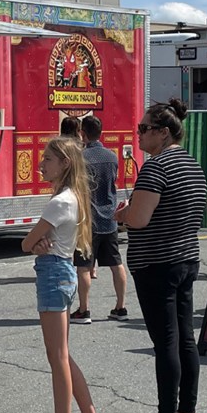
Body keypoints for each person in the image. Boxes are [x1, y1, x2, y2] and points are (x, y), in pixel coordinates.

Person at [117, 99, 207, 413]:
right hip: (186, 258)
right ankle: (187, 412)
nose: (138, 134)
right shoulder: (191, 164)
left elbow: (139, 219)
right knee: (185, 338)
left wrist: (125, 215)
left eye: (144, 129)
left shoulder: (156, 168)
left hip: (157, 262)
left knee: (166, 341)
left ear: (163, 132)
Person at [20, 138, 109, 413]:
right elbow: (38, 240)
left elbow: (26, 242)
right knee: (63, 356)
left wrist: (37, 242)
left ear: (65, 164)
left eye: (48, 159)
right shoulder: (73, 197)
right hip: (63, 271)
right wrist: (39, 242)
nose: (41, 164)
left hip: (54, 274)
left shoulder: (60, 201)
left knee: (57, 357)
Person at [71, 115, 129, 324]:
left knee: (84, 266)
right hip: (110, 217)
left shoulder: (81, 157)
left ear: (82, 133)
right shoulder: (112, 156)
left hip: (88, 220)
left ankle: (84, 310)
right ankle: (121, 307)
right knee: (116, 263)